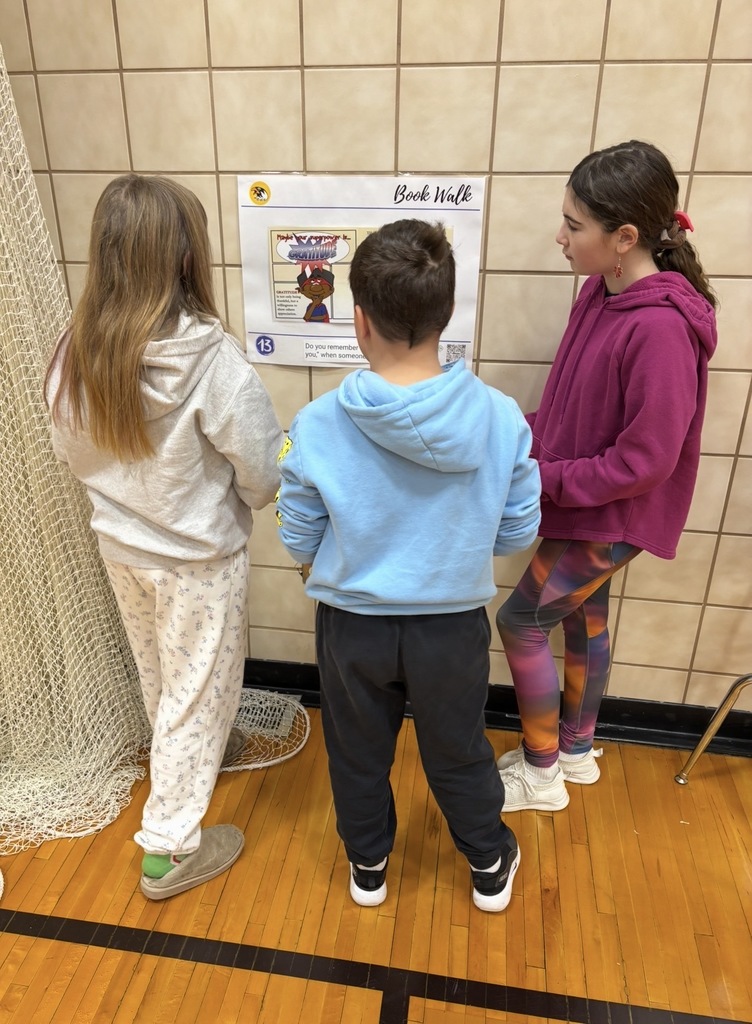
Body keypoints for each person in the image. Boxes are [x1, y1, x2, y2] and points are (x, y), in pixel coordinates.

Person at [276, 219, 541, 911]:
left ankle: (368, 868)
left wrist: (313, 567)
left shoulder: (318, 420)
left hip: (351, 624)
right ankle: (487, 864)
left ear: (357, 319)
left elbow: (297, 526)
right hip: (450, 625)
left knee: (357, 753)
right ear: (445, 315)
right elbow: (517, 529)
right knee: (457, 750)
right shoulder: (502, 416)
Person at [45, 174, 284, 899]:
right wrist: (244, 500)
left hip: (122, 549)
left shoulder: (75, 351)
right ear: (187, 256)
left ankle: (203, 750)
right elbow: (263, 469)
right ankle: (169, 850)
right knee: (195, 687)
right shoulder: (212, 363)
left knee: (165, 679)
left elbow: (68, 452)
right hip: (198, 562)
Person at [495, 140, 718, 812]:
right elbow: (571, 405)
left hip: (612, 512)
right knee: (583, 617)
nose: (558, 237)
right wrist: (510, 433)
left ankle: (540, 775)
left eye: (574, 224)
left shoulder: (659, 329)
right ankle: (576, 748)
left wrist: (546, 478)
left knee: (522, 620)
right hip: (581, 497)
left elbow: (644, 460)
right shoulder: (599, 291)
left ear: (624, 238)